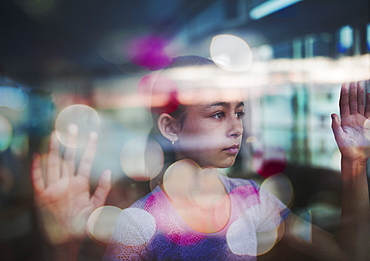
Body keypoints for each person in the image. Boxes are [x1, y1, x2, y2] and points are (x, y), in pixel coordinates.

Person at [31, 56, 369, 260]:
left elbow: (348, 255)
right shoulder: (141, 224)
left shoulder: (252, 201)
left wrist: (353, 165)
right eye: (218, 115)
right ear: (170, 126)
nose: (237, 127)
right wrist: (64, 248)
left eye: (239, 112)